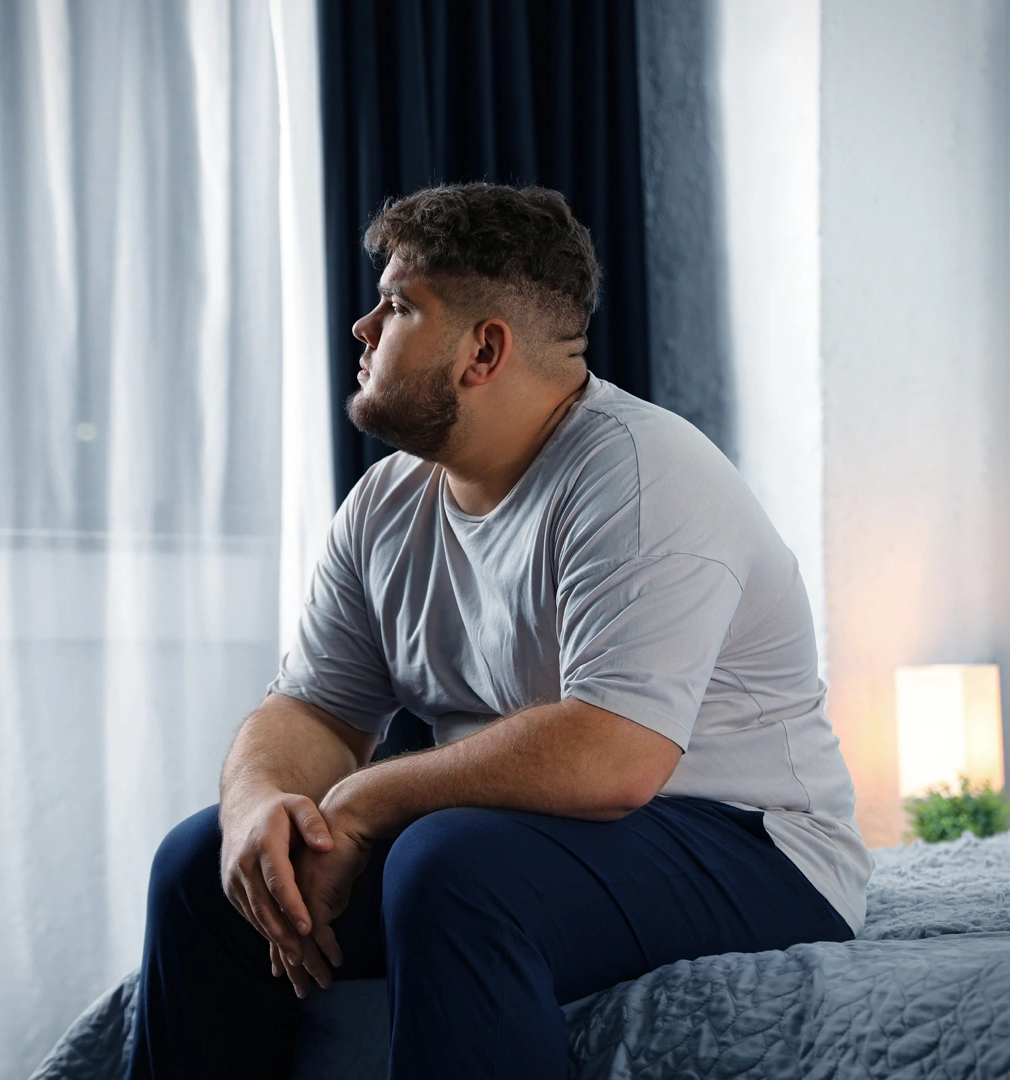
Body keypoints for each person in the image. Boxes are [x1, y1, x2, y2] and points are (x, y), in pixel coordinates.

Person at [124, 183, 874, 1080]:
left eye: (399, 305)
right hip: (526, 838)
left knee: (454, 864)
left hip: (754, 847)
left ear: (483, 350)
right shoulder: (386, 505)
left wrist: (363, 801)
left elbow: (612, 756)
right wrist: (255, 811)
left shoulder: (639, 477)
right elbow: (314, 710)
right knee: (201, 865)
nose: (363, 328)